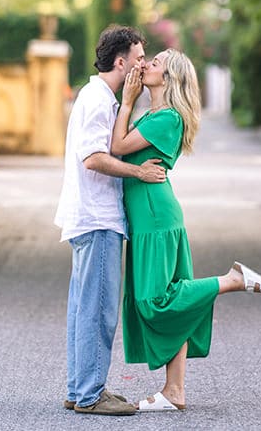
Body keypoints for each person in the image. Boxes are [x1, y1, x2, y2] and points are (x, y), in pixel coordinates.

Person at [110, 47, 261, 412]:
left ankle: (231, 280)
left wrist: (126, 101)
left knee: (155, 301)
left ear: (168, 78)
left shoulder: (168, 118)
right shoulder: (156, 113)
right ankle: (174, 391)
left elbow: (117, 147)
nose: (145, 65)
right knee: (176, 297)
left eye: (153, 63)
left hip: (155, 220)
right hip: (152, 218)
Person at [54, 25, 165, 416]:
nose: (142, 64)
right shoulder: (99, 99)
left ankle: (81, 387)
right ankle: (89, 395)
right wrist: (140, 173)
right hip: (97, 220)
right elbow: (94, 158)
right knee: (98, 310)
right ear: (121, 62)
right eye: (138, 59)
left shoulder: (100, 97)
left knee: (85, 307)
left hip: (92, 219)